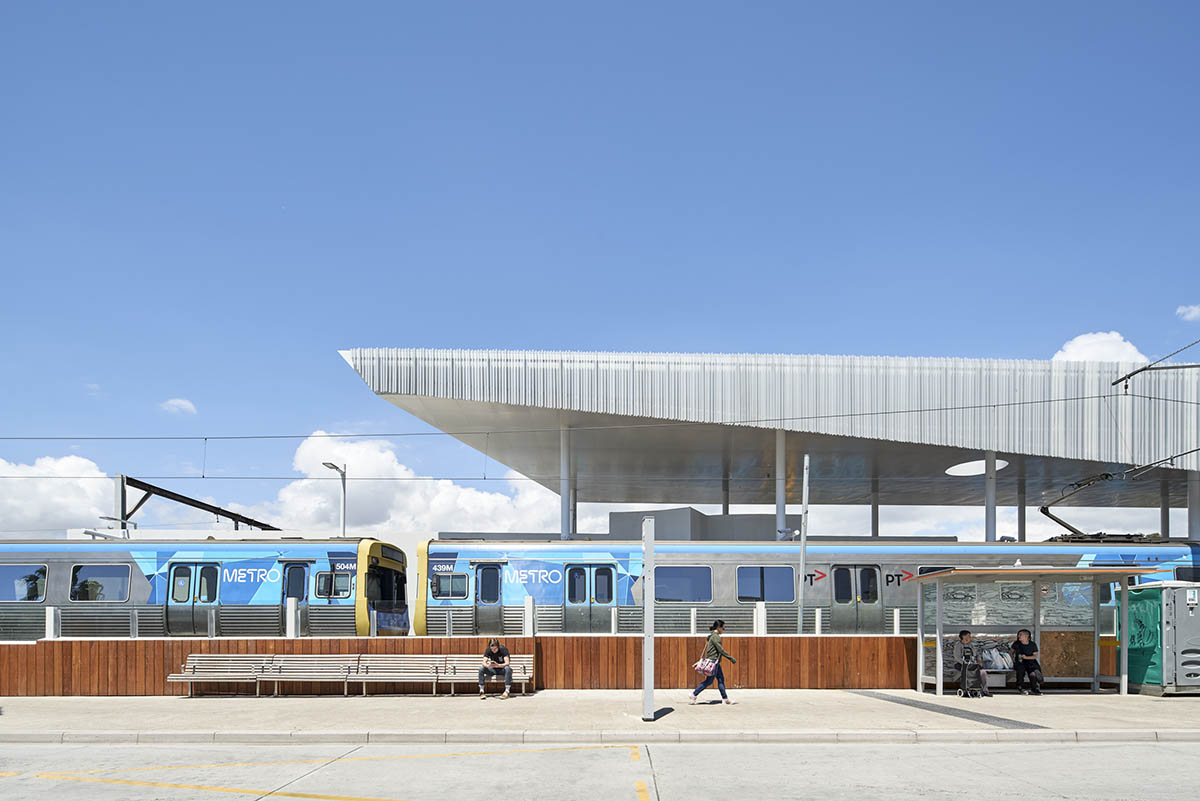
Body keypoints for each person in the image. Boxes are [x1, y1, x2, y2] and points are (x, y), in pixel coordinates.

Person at [689, 619, 737, 705]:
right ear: (718, 627)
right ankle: (694, 694)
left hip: (715, 661)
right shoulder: (715, 637)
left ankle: (725, 699)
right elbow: (720, 650)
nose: (723, 630)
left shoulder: (712, 636)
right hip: (713, 661)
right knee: (709, 681)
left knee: (721, 679)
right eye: (723, 628)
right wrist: (731, 658)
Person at [952, 630, 991, 697]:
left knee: (983, 672)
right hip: (961, 664)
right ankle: (967, 688)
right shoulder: (958, 645)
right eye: (969, 636)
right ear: (964, 637)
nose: (970, 637)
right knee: (967, 671)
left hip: (972, 664)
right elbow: (957, 657)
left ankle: (985, 690)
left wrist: (979, 660)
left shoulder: (971, 645)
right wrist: (965, 664)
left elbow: (976, 655)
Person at [1012, 629, 1043, 695]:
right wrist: (1013, 659)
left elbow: (1035, 656)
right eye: (1018, 635)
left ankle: (1035, 689)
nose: (1018, 636)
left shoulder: (1032, 644)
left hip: (1030, 662)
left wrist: (1026, 657)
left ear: (1026, 636)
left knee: (1033, 674)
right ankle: (1021, 688)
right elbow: (1011, 651)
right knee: (1020, 671)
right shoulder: (1016, 644)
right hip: (1020, 662)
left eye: (1020, 635)